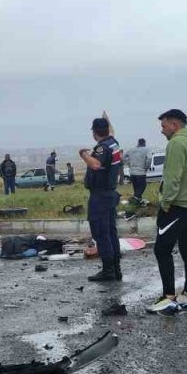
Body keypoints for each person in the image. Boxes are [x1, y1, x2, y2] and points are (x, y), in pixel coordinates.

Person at [147, 110, 187, 316]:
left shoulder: (176, 143)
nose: (162, 130)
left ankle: (168, 298)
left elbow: (173, 178)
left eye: (164, 126)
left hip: (178, 206)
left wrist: (165, 203)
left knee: (162, 249)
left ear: (174, 125)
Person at [80, 118, 122, 282]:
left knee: (101, 234)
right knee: (111, 233)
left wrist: (83, 153)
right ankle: (116, 269)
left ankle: (108, 271)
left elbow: (96, 165)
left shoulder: (102, 148)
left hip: (100, 196)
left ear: (94, 132)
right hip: (110, 194)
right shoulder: (114, 144)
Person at [127, 138, 151, 205]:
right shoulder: (146, 149)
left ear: (138, 143)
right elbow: (149, 158)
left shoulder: (131, 150)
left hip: (132, 173)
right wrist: (146, 167)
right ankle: (133, 199)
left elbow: (123, 157)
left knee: (136, 188)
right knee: (142, 186)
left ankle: (138, 203)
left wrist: (129, 164)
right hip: (141, 172)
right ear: (144, 143)